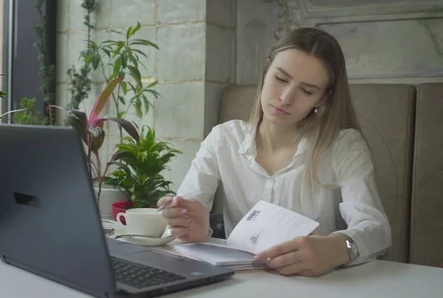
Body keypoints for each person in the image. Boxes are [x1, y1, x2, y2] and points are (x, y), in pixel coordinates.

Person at [157, 27, 392, 277]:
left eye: (307, 90)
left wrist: (339, 248)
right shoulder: (223, 139)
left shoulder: (344, 146)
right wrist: (188, 228)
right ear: (266, 70)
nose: (286, 98)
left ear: (322, 99)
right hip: (240, 287)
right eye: (281, 78)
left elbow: (377, 229)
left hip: (315, 289)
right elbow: (177, 225)